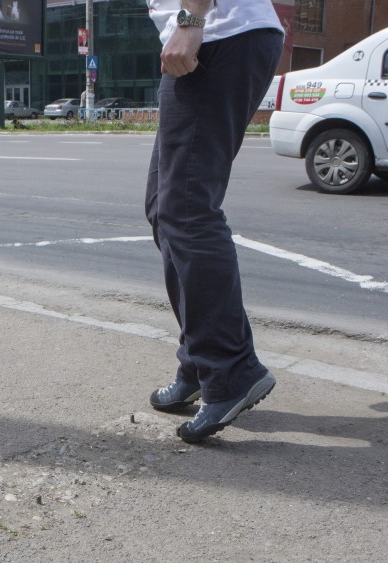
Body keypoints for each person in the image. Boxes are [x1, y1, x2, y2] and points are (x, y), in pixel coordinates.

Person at [143, 1, 283, 443]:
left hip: (220, 37)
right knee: (165, 210)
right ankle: (202, 362)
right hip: (215, 36)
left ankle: (230, 369)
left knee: (187, 209)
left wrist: (190, 23)